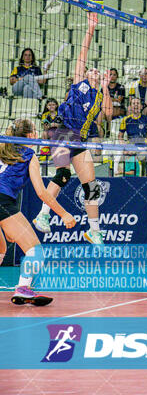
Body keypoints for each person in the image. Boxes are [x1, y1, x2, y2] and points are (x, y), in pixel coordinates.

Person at [33, 12, 112, 244]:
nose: (94, 71)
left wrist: (106, 88)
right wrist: (90, 28)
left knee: (92, 186)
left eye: (98, 71)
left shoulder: (98, 94)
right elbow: (82, 56)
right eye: (92, 70)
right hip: (63, 133)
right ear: (85, 74)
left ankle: (94, 230)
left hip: (79, 139)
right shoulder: (80, 84)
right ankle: (42, 215)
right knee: (64, 174)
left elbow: (107, 113)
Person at [0, 118, 75, 305]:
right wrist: (64, 213)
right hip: (3, 201)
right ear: (31, 136)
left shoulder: (2, 148)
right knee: (36, 252)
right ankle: (23, 288)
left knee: (1, 249)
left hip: (5, 202)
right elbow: (41, 192)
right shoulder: (29, 154)